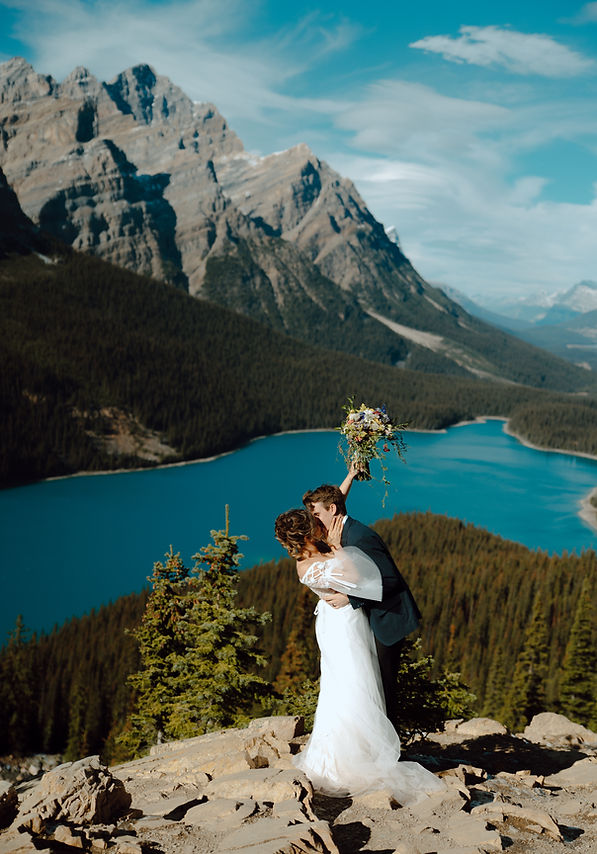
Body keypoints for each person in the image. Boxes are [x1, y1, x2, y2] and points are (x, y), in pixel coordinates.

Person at [274, 507, 443, 803]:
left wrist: (350, 476)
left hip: (332, 620)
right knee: (354, 681)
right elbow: (357, 575)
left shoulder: (304, 561)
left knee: (341, 684)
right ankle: (357, 755)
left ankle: (343, 753)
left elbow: (332, 506)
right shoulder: (319, 561)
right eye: (313, 524)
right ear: (307, 532)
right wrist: (340, 548)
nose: (319, 526)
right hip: (344, 622)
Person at [303, 465, 421, 734]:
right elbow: (336, 499)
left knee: (384, 685)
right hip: (374, 615)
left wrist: (350, 597)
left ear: (332, 510)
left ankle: (392, 751)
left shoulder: (360, 536)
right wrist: (350, 475)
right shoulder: (338, 530)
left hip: (388, 619)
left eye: (317, 514)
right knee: (373, 683)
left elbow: (389, 579)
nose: (314, 520)